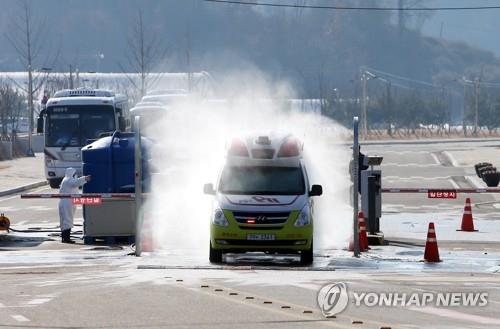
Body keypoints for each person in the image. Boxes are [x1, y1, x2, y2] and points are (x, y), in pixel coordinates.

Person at [58, 168, 91, 243]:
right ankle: (66, 239)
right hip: (67, 203)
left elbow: (75, 182)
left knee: (65, 220)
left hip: (66, 202)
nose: (75, 175)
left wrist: (84, 179)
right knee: (67, 220)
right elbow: (76, 183)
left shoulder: (66, 179)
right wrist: (85, 178)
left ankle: (64, 238)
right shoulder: (68, 180)